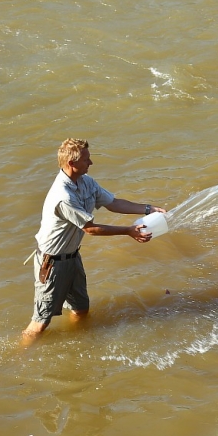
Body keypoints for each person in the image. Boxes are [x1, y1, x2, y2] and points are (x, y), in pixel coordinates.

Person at [22, 138, 166, 341]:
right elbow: (91, 229)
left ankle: (76, 342)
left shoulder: (85, 182)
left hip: (72, 258)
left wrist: (148, 208)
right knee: (40, 323)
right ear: (71, 164)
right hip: (52, 263)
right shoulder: (63, 197)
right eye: (86, 159)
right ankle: (19, 358)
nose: (91, 163)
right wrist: (128, 231)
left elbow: (114, 203)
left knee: (81, 310)